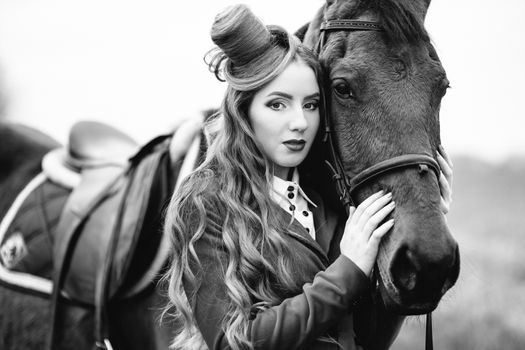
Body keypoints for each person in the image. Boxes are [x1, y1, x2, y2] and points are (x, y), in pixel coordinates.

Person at [163, 4, 453, 350]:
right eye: (277, 105)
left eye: (311, 104)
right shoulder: (205, 201)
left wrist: (418, 220)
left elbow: (362, 339)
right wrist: (347, 272)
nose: (299, 122)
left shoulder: (325, 203)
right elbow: (231, 341)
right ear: (244, 111)